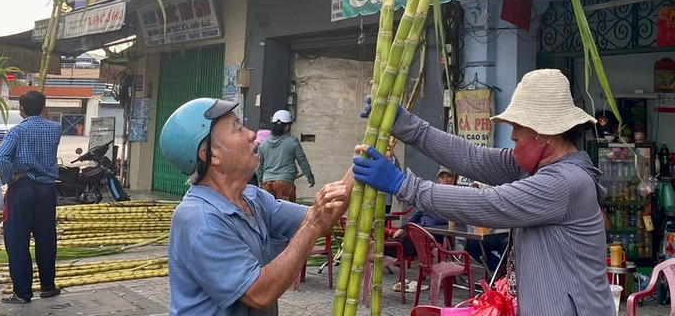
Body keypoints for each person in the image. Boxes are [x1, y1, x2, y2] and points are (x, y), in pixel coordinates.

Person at [352, 69, 616, 316]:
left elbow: (490, 204)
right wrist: (406, 124)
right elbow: (471, 157)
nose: (512, 136)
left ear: (543, 133)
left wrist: (403, 185)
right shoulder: (536, 167)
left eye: (517, 128)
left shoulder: (565, 182)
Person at [160, 98, 352, 315]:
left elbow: (322, 218)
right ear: (211, 155)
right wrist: (312, 225)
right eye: (238, 128)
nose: (252, 134)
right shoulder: (199, 218)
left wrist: (364, 160)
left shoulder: (253, 197)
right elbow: (258, 294)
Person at [0, 90, 62, 304]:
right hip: (47, 189)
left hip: (22, 188)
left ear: (21, 109)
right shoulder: (56, 129)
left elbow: (0, 157)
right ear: (44, 108)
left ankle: (23, 293)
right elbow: (45, 120)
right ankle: (48, 287)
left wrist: (9, 178)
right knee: (46, 239)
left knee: (17, 241)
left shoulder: (17, 131)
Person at [389, 166, 455, 293]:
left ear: (454, 178)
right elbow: (417, 214)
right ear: (438, 179)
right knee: (400, 237)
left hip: (435, 233)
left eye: (448, 176)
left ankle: (378, 249)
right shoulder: (432, 193)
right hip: (419, 229)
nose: (445, 180)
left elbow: (452, 222)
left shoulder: (457, 194)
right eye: (442, 177)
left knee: (407, 242)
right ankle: (380, 248)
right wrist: (403, 228)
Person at [256, 109, 315, 201]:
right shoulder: (293, 141)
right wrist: (309, 176)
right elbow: (302, 160)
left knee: (268, 213)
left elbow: (259, 165)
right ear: (287, 126)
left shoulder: (263, 144)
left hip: (267, 183)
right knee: (287, 213)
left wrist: (260, 181)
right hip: (285, 183)